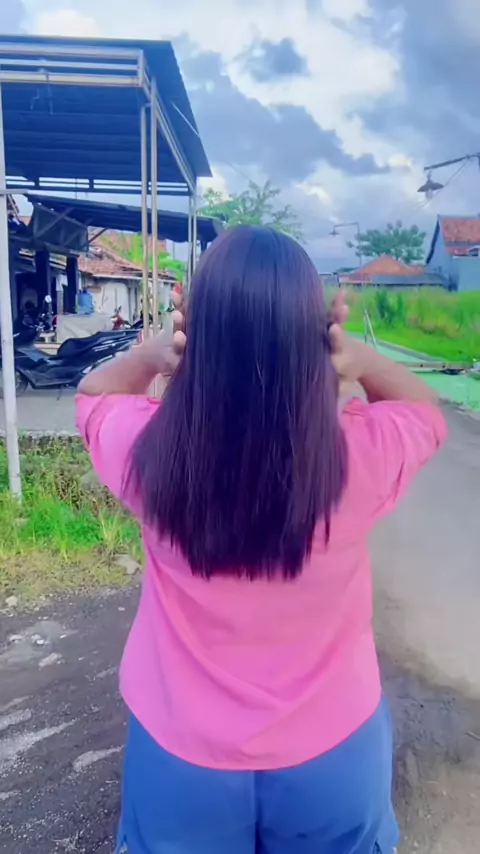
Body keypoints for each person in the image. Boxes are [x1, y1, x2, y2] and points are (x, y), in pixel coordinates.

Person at [76, 226, 446, 854]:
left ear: (196, 334)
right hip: (332, 752)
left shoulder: (147, 452)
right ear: (315, 337)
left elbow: (93, 394)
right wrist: (359, 359)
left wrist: (157, 355)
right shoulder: (358, 458)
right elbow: (425, 411)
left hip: (181, 756)